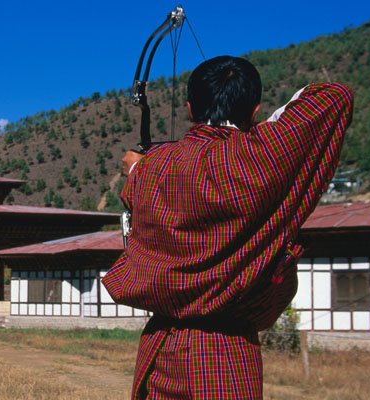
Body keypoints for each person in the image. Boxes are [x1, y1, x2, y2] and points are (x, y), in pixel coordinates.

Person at [103, 56, 352, 399]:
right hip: (227, 354)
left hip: (158, 349)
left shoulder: (149, 168)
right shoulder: (261, 156)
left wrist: (139, 168)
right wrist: (266, 126)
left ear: (190, 109)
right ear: (254, 111)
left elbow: (156, 182)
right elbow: (333, 96)